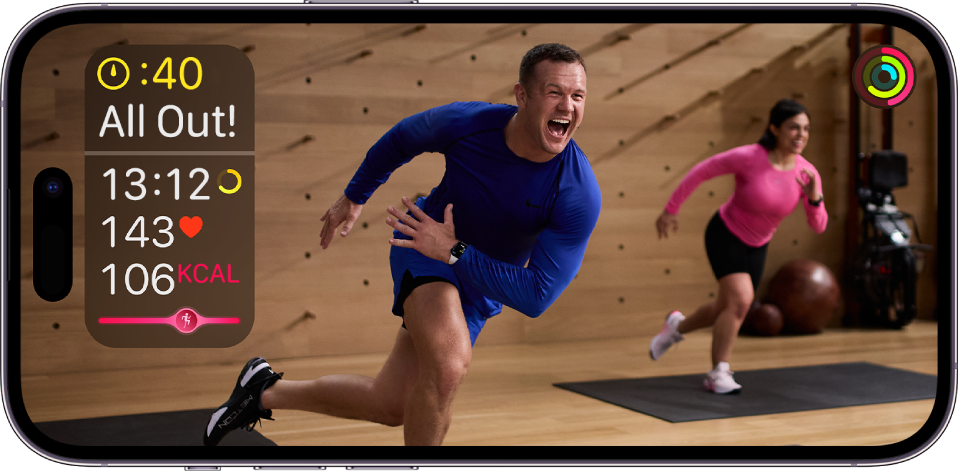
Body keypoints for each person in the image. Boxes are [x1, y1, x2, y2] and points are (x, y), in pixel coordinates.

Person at [203, 43, 602, 446]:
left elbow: (536, 296)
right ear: (522, 96)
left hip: (476, 275)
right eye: (555, 92)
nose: (567, 106)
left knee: (393, 405)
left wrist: (455, 250)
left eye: (578, 96)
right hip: (423, 243)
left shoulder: (577, 192)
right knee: (448, 365)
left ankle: (263, 391)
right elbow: (401, 139)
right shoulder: (469, 123)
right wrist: (355, 195)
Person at [650, 99, 827, 394]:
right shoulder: (750, 156)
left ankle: (676, 328)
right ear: (775, 128)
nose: (801, 134)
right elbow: (702, 171)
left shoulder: (807, 174)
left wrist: (814, 197)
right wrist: (671, 209)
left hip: (758, 245)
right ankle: (718, 372)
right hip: (725, 233)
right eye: (793, 127)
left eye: (806, 129)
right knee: (742, 300)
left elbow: (818, 226)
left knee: (726, 307)